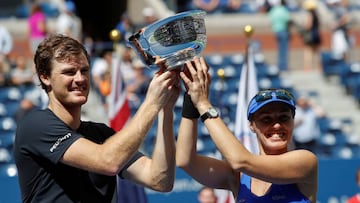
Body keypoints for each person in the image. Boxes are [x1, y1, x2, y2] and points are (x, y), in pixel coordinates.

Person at [13, 33, 180, 202]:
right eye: (69, 72)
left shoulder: (102, 134)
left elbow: (160, 180)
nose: (80, 79)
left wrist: (165, 108)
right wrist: (151, 103)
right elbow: (108, 161)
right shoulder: (35, 125)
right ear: (45, 77)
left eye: (84, 70)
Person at [176, 57, 318, 202]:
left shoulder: (305, 161)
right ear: (252, 125)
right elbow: (185, 161)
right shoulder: (238, 177)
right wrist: (190, 98)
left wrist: (203, 104)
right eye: (266, 119)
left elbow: (241, 161)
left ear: (293, 122)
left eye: (283, 118)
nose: (276, 125)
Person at [268, 0, 291, 72]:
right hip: (283, 30)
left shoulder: (273, 10)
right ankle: (283, 67)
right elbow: (288, 20)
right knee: (284, 49)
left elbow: (271, 20)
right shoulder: (283, 10)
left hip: (276, 31)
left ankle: (280, 65)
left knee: (279, 49)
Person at [301, 0, 322, 72]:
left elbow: (309, 25)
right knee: (317, 51)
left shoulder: (310, 14)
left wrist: (303, 28)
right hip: (316, 34)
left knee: (308, 51)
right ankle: (320, 66)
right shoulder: (317, 14)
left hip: (311, 34)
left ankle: (307, 67)